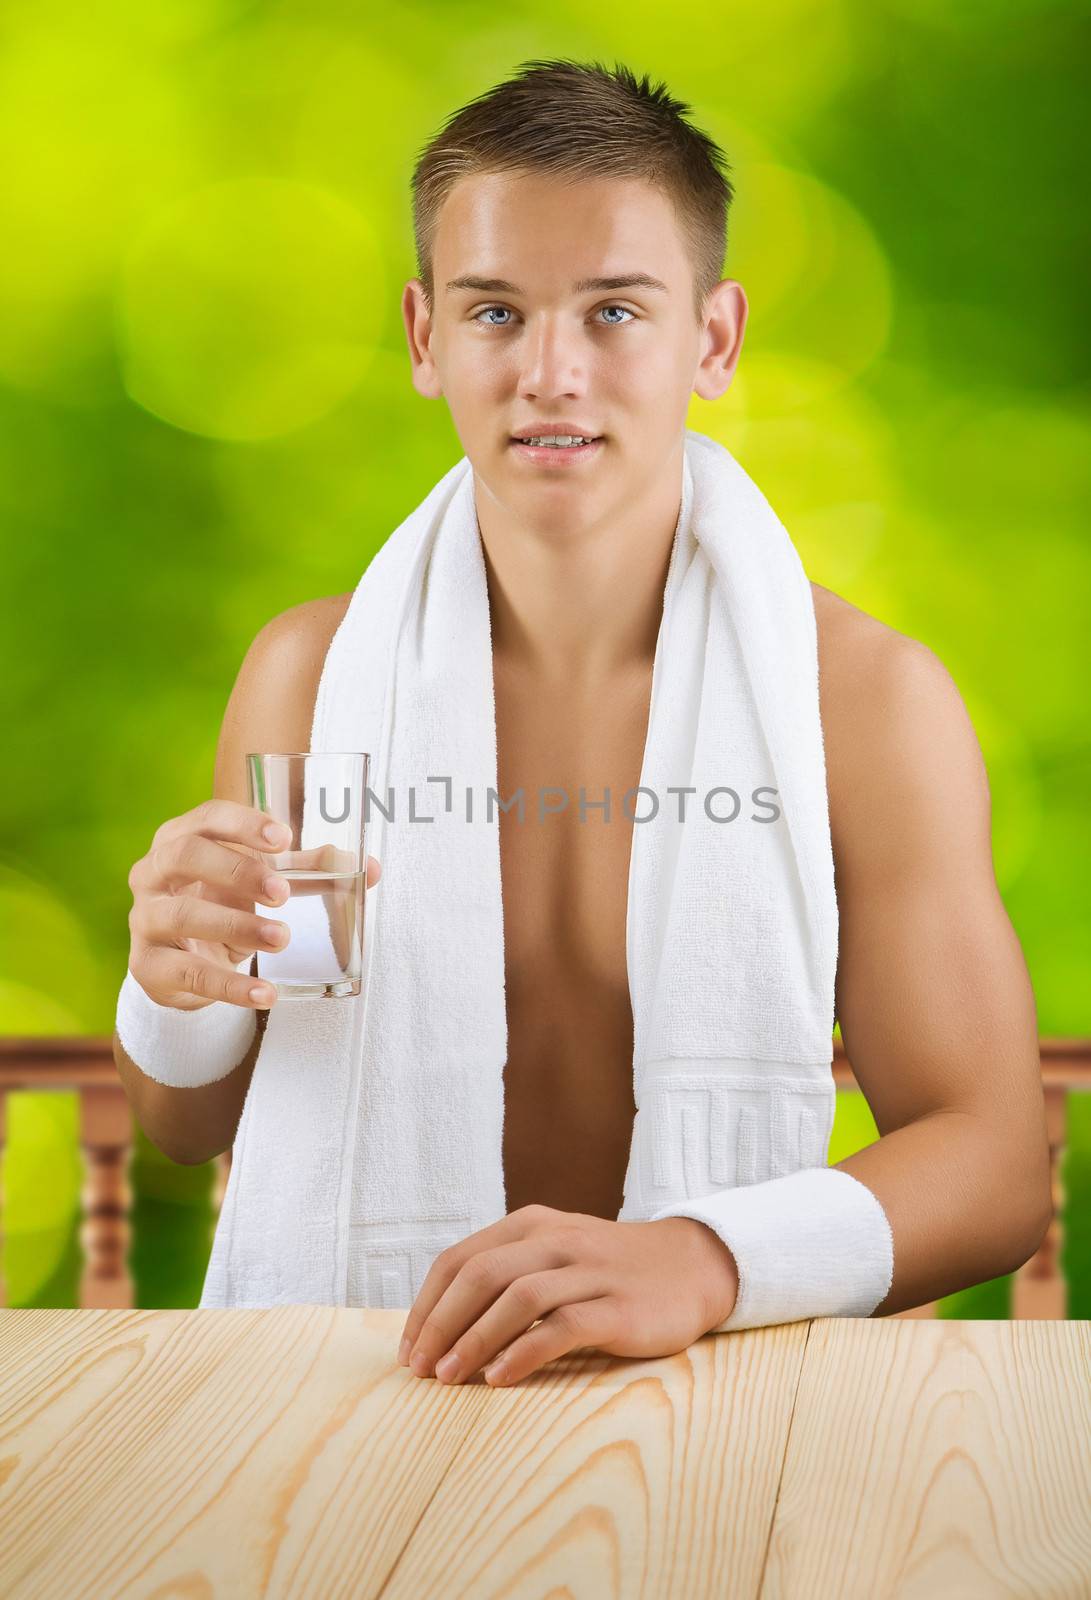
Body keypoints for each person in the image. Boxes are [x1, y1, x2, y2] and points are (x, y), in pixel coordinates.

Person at [115, 59, 1051, 1387]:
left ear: (713, 340)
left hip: (715, 1399)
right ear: (425, 336)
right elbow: (179, 1118)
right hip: (361, 1391)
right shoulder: (314, 681)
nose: (551, 372)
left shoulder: (863, 702)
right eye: (496, 310)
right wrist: (170, 984)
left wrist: (700, 1256)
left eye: (614, 310)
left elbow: (996, 1161)